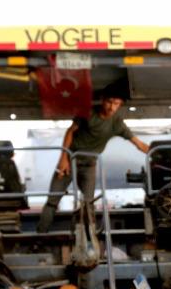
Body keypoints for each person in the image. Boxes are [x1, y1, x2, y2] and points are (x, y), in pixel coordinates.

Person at [35, 95, 154, 235]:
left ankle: (89, 238)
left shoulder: (117, 123)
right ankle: (40, 236)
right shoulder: (88, 113)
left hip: (89, 165)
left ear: (119, 105)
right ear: (103, 101)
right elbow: (70, 131)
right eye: (109, 102)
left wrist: (158, 153)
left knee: (88, 204)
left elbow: (138, 144)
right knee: (52, 201)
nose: (111, 107)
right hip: (70, 160)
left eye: (116, 104)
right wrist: (63, 159)